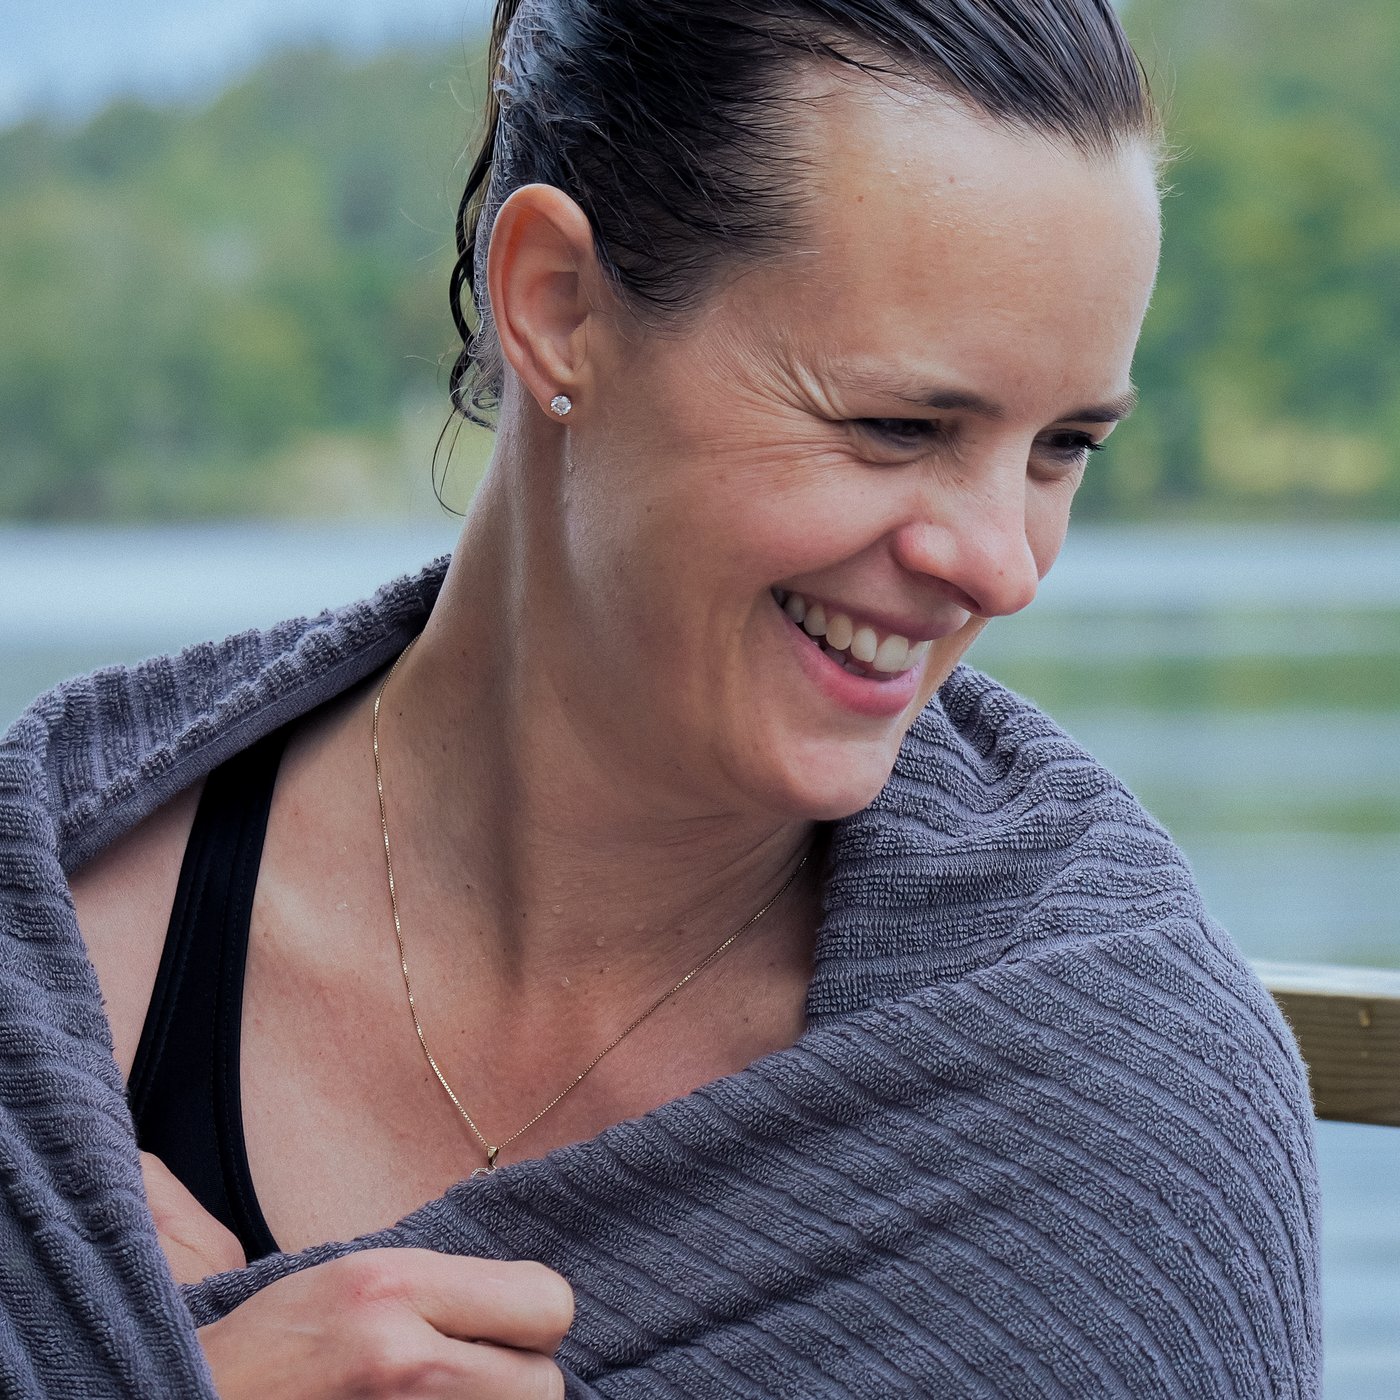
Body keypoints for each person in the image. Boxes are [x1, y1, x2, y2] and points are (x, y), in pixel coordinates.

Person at [0, 0, 1320, 1396]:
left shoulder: (1117, 1124)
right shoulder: (61, 957)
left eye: (1063, 448)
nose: (1002, 565)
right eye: (896, 427)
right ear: (558, 307)